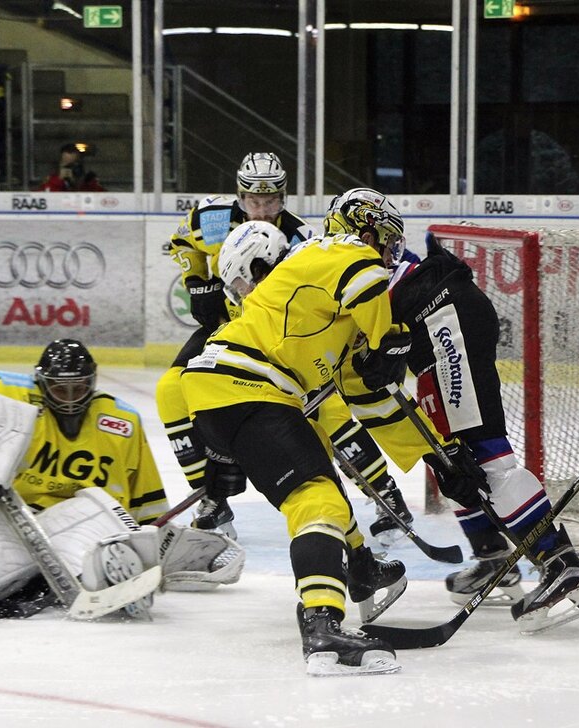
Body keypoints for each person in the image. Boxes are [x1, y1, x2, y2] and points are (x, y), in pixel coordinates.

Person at [179, 215, 429, 676]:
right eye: (388, 245)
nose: (390, 257)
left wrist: (431, 451)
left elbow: (355, 392)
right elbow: (365, 275)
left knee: (319, 482)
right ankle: (321, 623)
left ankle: (360, 565)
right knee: (315, 499)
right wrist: (388, 338)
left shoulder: (318, 305)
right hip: (246, 386)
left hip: (232, 391)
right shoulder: (343, 249)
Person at [156, 153, 413, 546]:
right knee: (171, 390)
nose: (262, 208)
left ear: (283, 196)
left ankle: (385, 493)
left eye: (271, 200)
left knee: (330, 409)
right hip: (231, 327)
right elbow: (182, 243)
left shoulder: (302, 238)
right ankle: (212, 499)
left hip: (288, 335)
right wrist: (197, 282)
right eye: (254, 200)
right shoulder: (211, 216)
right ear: (240, 195)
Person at [380, 206, 579, 634]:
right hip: (435, 329)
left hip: (445, 322)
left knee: (484, 457)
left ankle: (560, 563)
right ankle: (494, 557)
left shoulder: (349, 265)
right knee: (450, 458)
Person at [0, 339, 245, 621]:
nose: (71, 398)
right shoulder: (8, 391)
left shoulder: (121, 421)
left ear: (93, 381)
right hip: (9, 514)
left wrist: (145, 543)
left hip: (84, 519)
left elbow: (146, 504)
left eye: (80, 387)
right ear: (42, 383)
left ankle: (110, 570)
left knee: (104, 544)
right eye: (61, 389)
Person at [37, 143, 106, 192]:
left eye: (75, 165)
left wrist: (84, 182)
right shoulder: (52, 181)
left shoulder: (90, 182)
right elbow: (45, 198)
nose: (72, 169)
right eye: (68, 166)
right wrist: (59, 181)